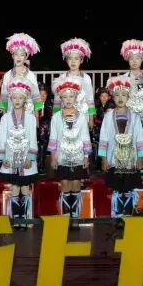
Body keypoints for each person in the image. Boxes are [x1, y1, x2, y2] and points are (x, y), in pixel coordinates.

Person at [98, 77, 143, 217]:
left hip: (131, 160)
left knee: (129, 188)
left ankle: (130, 216)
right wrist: (103, 158)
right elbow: (103, 138)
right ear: (112, 97)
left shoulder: (135, 117)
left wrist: (140, 157)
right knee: (117, 189)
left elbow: (140, 138)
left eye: (124, 95)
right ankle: (117, 216)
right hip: (114, 159)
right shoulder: (108, 117)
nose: (120, 98)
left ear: (128, 97)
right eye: (117, 95)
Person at [49, 75, 91, 217]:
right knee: (65, 185)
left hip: (78, 157)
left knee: (76, 185)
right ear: (61, 98)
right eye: (65, 97)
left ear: (76, 98)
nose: (68, 100)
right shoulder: (56, 117)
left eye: (71, 97)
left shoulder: (82, 117)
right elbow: (53, 138)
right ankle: (66, 218)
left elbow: (85, 138)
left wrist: (86, 157)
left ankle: (75, 218)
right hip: (62, 157)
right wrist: (53, 158)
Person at [0, 79, 39, 226]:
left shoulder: (31, 118)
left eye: (20, 98)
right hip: (11, 158)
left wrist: (30, 157)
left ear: (25, 99)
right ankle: (16, 219)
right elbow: (2, 137)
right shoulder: (5, 118)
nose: (17, 100)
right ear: (10, 98)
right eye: (14, 97)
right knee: (15, 188)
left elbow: (33, 138)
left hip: (26, 159)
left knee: (25, 188)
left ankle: (26, 218)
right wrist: (3, 156)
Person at [0, 33, 42, 117]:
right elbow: (4, 98)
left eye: (22, 55)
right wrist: (4, 118)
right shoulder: (7, 75)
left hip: (28, 113)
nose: (19, 57)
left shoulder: (31, 75)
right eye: (16, 54)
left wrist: (36, 120)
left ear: (26, 57)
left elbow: (36, 98)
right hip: (11, 112)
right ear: (12, 56)